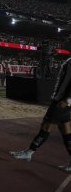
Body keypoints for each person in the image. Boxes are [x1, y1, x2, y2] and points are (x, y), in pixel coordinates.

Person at [10, 37, 71, 172]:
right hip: (62, 101)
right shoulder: (69, 60)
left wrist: (67, 101)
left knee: (46, 125)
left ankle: (29, 152)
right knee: (66, 131)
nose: (67, 41)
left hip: (62, 102)